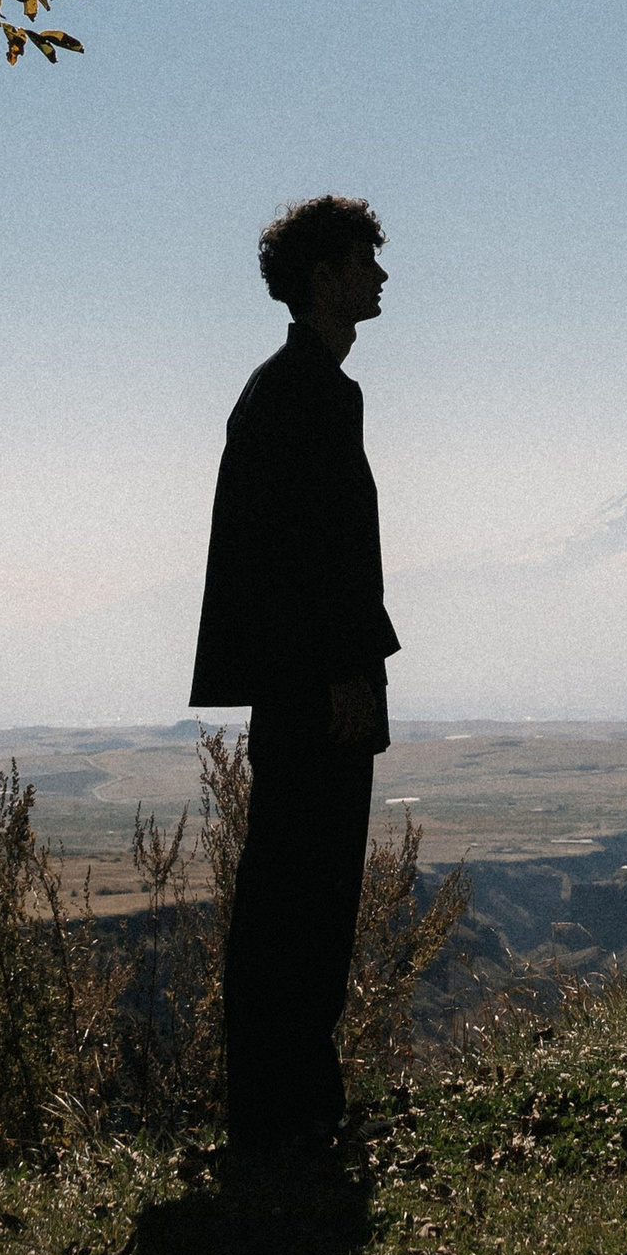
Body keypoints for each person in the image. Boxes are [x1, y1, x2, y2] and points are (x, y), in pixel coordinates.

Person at [189, 195, 399, 1166]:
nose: (381, 276)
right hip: (318, 690)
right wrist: (344, 675)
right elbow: (312, 562)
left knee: (294, 899)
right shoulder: (305, 391)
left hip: (301, 686)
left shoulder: (288, 388)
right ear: (324, 275)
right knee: (303, 904)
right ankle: (290, 1117)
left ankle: (288, 1110)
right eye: (365, 259)